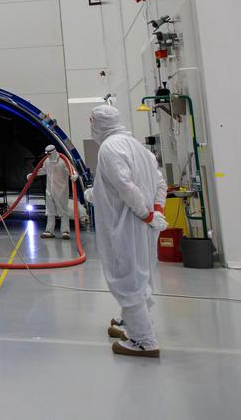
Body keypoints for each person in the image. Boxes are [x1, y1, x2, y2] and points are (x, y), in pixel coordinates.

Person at [86, 104, 167, 358]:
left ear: (99, 124)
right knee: (140, 276)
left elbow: (125, 186)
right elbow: (160, 181)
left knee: (127, 278)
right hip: (143, 224)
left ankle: (143, 340)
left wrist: (144, 213)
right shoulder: (137, 147)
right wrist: (156, 211)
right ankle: (132, 323)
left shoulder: (109, 148)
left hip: (126, 224)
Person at [40, 144, 78, 239]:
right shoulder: (47, 161)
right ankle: (49, 231)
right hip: (49, 190)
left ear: (53, 152)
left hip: (61, 190)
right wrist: (33, 174)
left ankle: (65, 231)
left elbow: (72, 171)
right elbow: (43, 170)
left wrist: (74, 176)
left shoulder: (63, 161)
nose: (47, 155)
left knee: (63, 211)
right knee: (50, 211)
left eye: (48, 153)